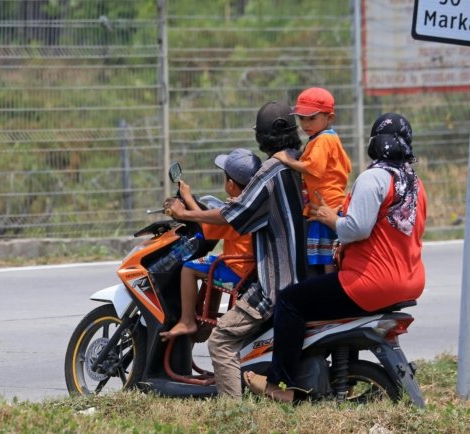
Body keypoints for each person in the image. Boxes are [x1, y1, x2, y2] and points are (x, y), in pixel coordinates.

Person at [243, 113, 427, 403]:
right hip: (410, 281)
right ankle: (344, 380)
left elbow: (356, 229)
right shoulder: (413, 182)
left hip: (370, 281)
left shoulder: (375, 177)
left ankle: (281, 385)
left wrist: (331, 218)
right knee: (337, 309)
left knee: (291, 301)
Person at [164, 101, 307, 398]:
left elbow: (232, 215)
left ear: (261, 137)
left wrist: (184, 214)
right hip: (302, 279)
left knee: (220, 341)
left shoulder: (271, 172)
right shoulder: (299, 164)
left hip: (274, 287)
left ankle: (232, 413)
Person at [159, 148, 261, 341]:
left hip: (236, 271)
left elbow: (206, 226)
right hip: (246, 268)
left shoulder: (234, 213)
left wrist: (187, 198)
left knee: (189, 268)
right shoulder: (249, 204)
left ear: (230, 184)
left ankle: (187, 320)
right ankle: (207, 321)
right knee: (212, 264)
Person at [274, 87, 351, 275]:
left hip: (326, 206)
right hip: (330, 204)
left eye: (312, 118)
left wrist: (287, 160)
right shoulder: (328, 138)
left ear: (329, 118)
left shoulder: (322, 140)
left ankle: (327, 294)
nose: (305, 124)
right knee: (331, 256)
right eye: (302, 118)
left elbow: (313, 168)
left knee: (327, 261)